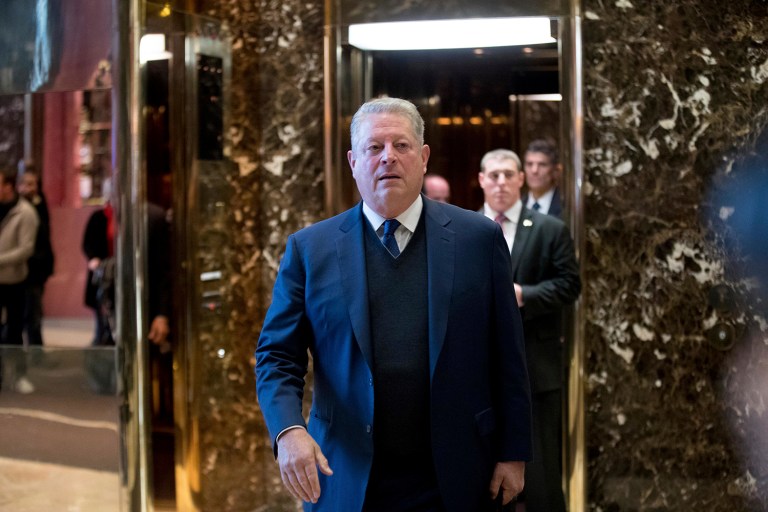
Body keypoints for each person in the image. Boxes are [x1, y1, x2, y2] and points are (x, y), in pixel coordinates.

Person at [256, 97, 532, 511]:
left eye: (401, 146)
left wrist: (514, 451)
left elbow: (507, 353)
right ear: (353, 161)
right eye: (374, 147)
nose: (388, 158)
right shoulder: (310, 249)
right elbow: (277, 356)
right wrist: (288, 430)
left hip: (456, 474)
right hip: (346, 472)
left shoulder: (479, 239)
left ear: (423, 158)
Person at [478, 148, 581, 512]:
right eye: (494, 175)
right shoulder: (463, 230)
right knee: (483, 477)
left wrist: (525, 295)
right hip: (481, 375)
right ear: (481, 181)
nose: (501, 182)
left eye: (509, 174)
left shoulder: (550, 229)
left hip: (537, 370)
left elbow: (571, 285)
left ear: (522, 179)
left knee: (540, 479)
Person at [0, 167, 40, 394]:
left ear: (7, 186)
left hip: (15, 281)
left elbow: (26, 249)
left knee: (15, 330)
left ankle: (18, 376)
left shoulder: (25, 213)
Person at [17, 167, 55, 349]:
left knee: (34, 314)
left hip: (36, 270)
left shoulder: (40, 205)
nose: (29, 188)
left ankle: (35, 352)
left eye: (33, 184)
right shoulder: (18, 207)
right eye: (26, 184)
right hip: (19, 268)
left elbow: (44, 237)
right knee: (22, 314)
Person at [523, 139, 563, 217]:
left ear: (555, 170)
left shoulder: (566, 207)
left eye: (542, 165)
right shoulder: (517, 205)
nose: (534, 170)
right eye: (529, 164)